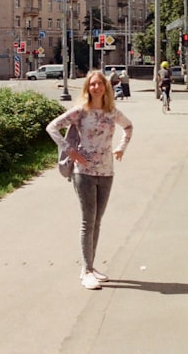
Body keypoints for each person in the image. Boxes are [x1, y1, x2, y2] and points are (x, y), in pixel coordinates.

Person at [46, 70, 133, 290]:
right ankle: (86, 271)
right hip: (83, 172)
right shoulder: (80, 112)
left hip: (106, 172)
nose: (97, 87)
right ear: (88, 88)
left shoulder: (112, 112)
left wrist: (121, 148)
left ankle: (91, 267)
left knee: (97, 221)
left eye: (100, 84)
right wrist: (70, 151)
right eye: (93, 84)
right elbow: (52, 127)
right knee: (88, 220)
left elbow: (129, 127)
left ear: (106, 87)